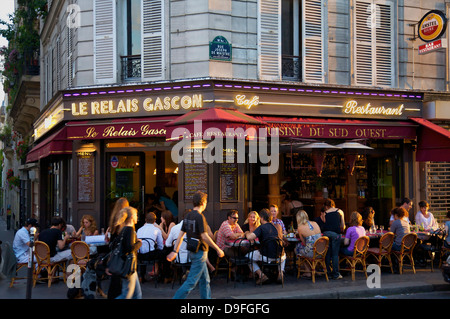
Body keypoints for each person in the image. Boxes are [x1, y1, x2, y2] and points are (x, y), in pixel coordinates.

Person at [167, 191, 224, 299]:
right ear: (203, 203)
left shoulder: (188, 215)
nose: (206, 203)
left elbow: (180, 235)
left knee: (205, 280)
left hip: (193, 251)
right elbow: (205, 236)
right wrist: (218, 249)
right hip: (200, 253)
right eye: (206, 201)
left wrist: (175, 251)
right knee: (191, 281)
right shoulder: (199, 217)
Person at [245, 208, 286, 284]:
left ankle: (261, 275)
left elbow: (249, 237)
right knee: (284, 254)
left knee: (248, 257)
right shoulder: (279, 226)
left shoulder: (261, 227)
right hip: (279, 256)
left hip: (267, 256)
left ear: (261, 217)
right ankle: (280, 273)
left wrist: (247, 232)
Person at [109, 206, 142, 299]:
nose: (137, 217)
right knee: (126, 295)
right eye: (135, 215)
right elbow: (129, 248)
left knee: (137, 295)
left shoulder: (122, 230)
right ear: (131, 217)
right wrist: (139, 243)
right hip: (128, 266)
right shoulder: (130, 230)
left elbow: (113, 245)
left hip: (128, 266)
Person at [106, 197, 129, 299]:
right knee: (119, 276)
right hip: (120, 251)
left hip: (114, 250)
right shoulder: (124, 220)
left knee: (116, 276)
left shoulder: (113, 218)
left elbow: (111, 236)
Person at [322, 199, 345, 280]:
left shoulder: (325, 213)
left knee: (327, 253)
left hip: (326, 234)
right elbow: (343, 225)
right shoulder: (340, 211)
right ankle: (336, 274)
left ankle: (328, 273)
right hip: (336, 234)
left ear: (326, 206)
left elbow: (325, 223)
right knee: (335, 254)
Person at [136, 212, 164, 279]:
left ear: (145, 220)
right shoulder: (157, 230)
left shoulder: (139, 230)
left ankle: (141, 276)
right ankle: (160, 274)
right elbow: (161, 246)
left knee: (143, 249)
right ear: (155, 220)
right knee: (163, 253)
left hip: (139, 255)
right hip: (151, 255)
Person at [295, 210, 321, 277]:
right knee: (306, 249)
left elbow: (304, 243)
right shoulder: (315, 223)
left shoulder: (300, 228)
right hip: (321, 252)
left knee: (297, 249)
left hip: (311, 253)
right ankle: (314, 269)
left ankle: (307, 271)